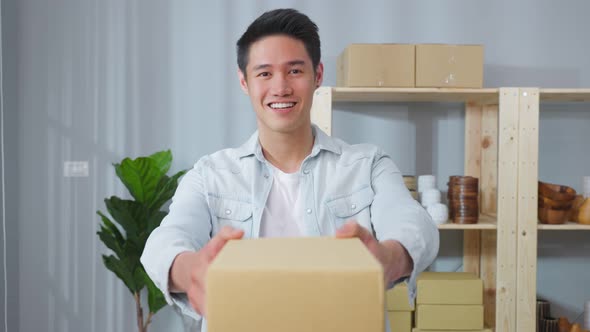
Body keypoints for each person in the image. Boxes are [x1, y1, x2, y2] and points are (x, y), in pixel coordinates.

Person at [141, 8, 439, 332]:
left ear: (318, 75)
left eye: (295, 70)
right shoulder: (209, 174)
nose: (280, 87)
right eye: (264, 73)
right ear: (244, 81)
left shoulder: (368, 165)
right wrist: (189, 269)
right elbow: (166, 239)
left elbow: (413, 222)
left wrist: (389, 258)